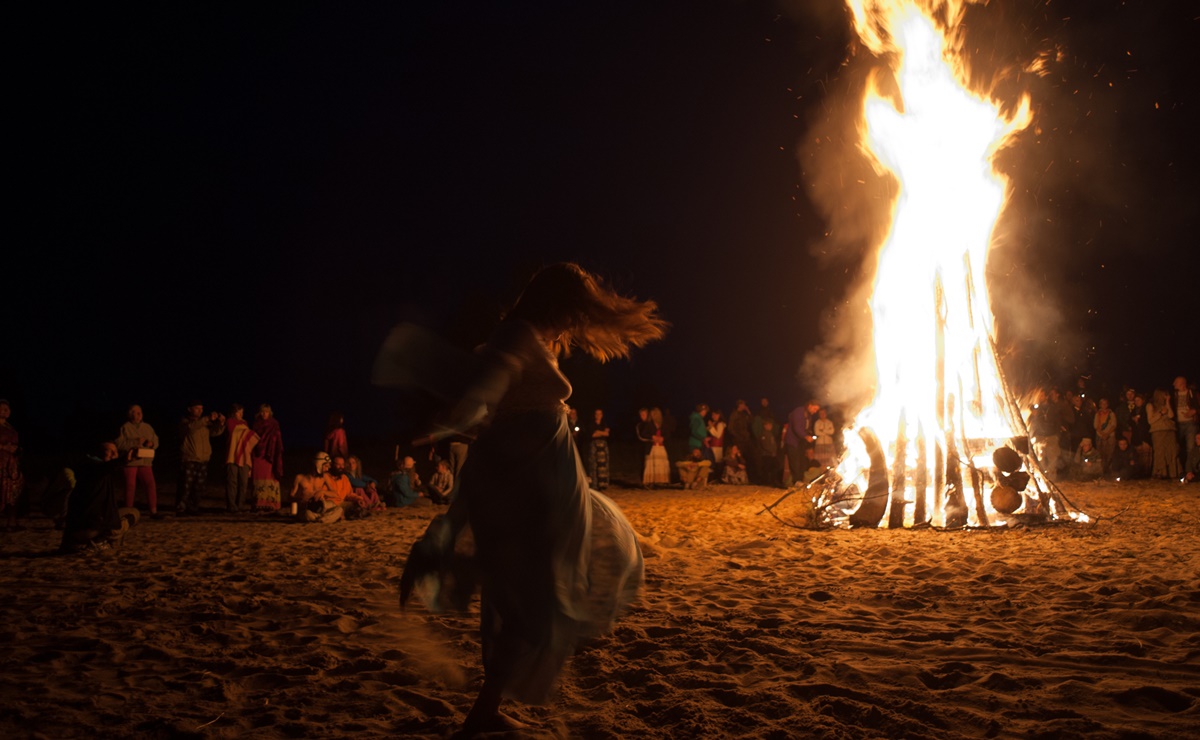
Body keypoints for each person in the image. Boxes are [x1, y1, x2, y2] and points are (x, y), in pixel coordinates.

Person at [398, 262, 664, 735]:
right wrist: (453, 420)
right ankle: (484, 709)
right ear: (556, 304)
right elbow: (489, 386)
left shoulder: (531, 336)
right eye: (572, 311)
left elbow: (495, 392)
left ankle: (486, 708)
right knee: (528, 591)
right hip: (529, 473)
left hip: (543, 469)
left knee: (528, 589)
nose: (573, 323)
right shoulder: (518, 334)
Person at [59, 442, 135, 554]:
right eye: (109, 451)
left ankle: (75, 543)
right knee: (130, 516)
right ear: (97, 453)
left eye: (116, 451)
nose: (114, 454)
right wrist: (123, 460)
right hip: (89, 530)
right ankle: (99, 541)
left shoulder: (87, 469)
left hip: (73, 533)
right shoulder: (94, 469)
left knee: (127, 511)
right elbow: (103, 468)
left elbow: (107, 468)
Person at [177, 401, 225, 515]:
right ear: (190, 409)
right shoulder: (185, 422)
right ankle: (181, 507)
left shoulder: (203, 424)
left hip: (203, 459)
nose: (200, 411)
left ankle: (194, 507)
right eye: (197, 408)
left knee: (199, 486)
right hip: (190, 458)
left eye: (201, 408)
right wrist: (207, 418)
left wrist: (221, 423)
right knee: (186, 486)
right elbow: (192, 428)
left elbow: (214, 433)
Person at [115, 404, 159, 516]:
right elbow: (119, 444)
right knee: (130, 486)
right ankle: (128, 511)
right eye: (137, 412)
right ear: (130, 414)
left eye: (141, 412)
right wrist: (135, 442)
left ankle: (153, 511)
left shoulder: (148, 427)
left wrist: (152, 443)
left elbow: (156, 441)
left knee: (150, 484)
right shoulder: (125, 427)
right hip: (131, 461)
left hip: (145, 461)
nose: (140, 414)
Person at [290, 452, 344, 524]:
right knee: (307, 514)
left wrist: (322, 492)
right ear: (318, 465)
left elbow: (335, 494)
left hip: (320, 507)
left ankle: (321, 519)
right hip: (306, 509)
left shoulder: (324, 477)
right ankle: (323, 519)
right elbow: (291, 496)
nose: (327, 469)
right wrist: (302, 498)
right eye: (325, 466)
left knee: (339, 509)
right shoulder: (299, 478)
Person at [224, 404, 259, 513]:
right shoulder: (230, 421)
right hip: (232, 455)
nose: (241, 414)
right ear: (234, 413)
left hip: (244, 457)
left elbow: (247, 440)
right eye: (239, 412)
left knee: (243, 483)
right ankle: (231, 506)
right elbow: (235, 432)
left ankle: (240, 505)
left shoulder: (245, 423)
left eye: (242, 412)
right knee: (232, 482)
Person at [251, 404, 284, 512]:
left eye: (266, 412)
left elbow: (277, 440)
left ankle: (271, 503)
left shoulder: (274, 424)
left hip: (270, 456)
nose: (264, 414)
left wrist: (276, 453)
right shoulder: (256, 425)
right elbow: (252, 441)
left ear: (270, 413)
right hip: (258, 455)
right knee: (258, 477)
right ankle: (259, 503)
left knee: (270, 477)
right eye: (262, 412)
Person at [1147, 389, 1180, 479]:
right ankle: (1160, 472)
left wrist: (1168, 403)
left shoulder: (1166, 405)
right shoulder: (1150, 406)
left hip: (1169, 430)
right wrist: (1161, 413)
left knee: (1171, 451)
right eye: (1165, 395)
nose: (1166, 396)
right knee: (1159, 452)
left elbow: (1171, 415)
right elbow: (1150, 421)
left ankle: (1172, 472)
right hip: (1158, 431)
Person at [1171, 376, 1199, 465]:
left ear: (1182, 383)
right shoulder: (1173, 395)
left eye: (1176, 382)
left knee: (1190, 447)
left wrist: (1194, 411)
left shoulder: (1193, 394)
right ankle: (1181, 468)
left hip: (1190, 423)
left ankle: (1190, 470)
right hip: (1178, 424)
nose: (1173, 384)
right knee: (1178, 447)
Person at [642, 407, 671, 487]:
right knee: (652, 464)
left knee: (661, 463)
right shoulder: (649, 424)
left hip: (661, 447)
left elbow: (668, 434)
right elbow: (644, 434)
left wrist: (663, 438)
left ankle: (662, 480)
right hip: (653, 447)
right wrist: (652, 437)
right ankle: (651, 481)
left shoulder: (664, 424)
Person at [586, 409, 610, 491]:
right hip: (594, 446)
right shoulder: (591, 424)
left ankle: (603, 484)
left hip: (603, 446)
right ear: (595, 415)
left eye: (600, 414)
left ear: (602, 415)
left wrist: (598, 432)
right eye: (597, 414)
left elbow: (606, 434)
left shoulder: (604, 423)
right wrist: (602, 432)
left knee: (603, 465)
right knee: (594, 464)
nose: (598, 415)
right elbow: (592, 435)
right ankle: (595, 484)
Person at [1092, 398, 1118, 475]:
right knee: (1101, 454)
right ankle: (1102, 471)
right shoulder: (1097, 414)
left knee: (1110, 453)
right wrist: (1102, 434)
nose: (1104, 405)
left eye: (1105, 403)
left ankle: (1109, 470)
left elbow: (1114, 425)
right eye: (1102, 404)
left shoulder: (1111, 414)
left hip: (1110, 436)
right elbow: (1095, 425)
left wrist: (1107, 434)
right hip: (1100, 436)